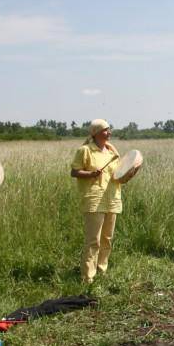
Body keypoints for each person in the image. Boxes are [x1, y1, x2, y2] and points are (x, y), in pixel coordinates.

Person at [70, 119, 122, 283]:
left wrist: (129, 173)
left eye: (109, 129)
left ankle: (102, 270)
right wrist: (91, 174)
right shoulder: (85, 150)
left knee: (107, 238)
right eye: (106, 130)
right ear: (96, 132)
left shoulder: (112, 151)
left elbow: (118, 175)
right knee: (94, 240)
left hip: (112, 198)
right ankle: (88, 277)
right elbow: (74, 172)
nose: (110, 133)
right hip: (94, 199)